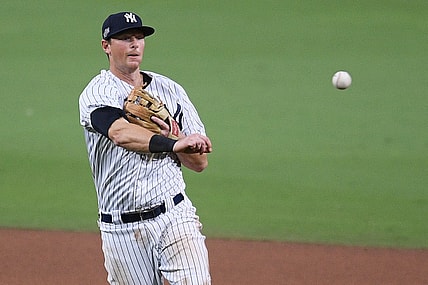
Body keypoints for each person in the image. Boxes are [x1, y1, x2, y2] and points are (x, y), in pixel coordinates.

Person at [78, 11, 212, 285]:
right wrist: (173, 143)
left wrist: (181, 141)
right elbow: (119, 133)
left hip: (175, 214)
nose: (135, 44)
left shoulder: (171, 90)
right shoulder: (98, 92)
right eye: (125, 38)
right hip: (121, 230)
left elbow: (199, 164)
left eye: (139, 37)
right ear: (106, 46)